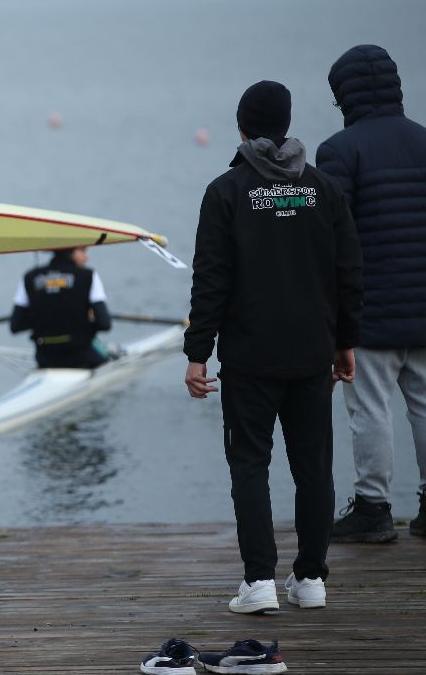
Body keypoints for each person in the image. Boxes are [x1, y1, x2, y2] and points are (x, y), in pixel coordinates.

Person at [183, 80, 362, 614]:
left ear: (242, 129)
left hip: (250, 359)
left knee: (249, 466)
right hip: (312, 354)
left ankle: (259, 583)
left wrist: (197, 352)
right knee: (314, 468)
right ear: (286, 127)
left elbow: (210, 279)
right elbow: (348, 273)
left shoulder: (226, 192)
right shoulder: (323, 190)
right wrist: (345, 342)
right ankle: (310, 580)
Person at [316, 44, 426, 543]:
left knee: (370, 409)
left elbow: (334, 237)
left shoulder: (341, 150)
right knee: (424, 406)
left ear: (345, 95)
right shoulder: (424, 140)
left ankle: (373, 509)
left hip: (372, 310)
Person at [9, 246, 113, 368]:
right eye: (83, 251)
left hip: (45, 358)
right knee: (106, 355)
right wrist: (85, 323)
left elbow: (15, 326)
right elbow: (105, 324)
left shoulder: (29, 277)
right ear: (69, 251)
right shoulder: (88, 276)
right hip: (82, 357)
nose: (86, 257)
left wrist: (43, 317)